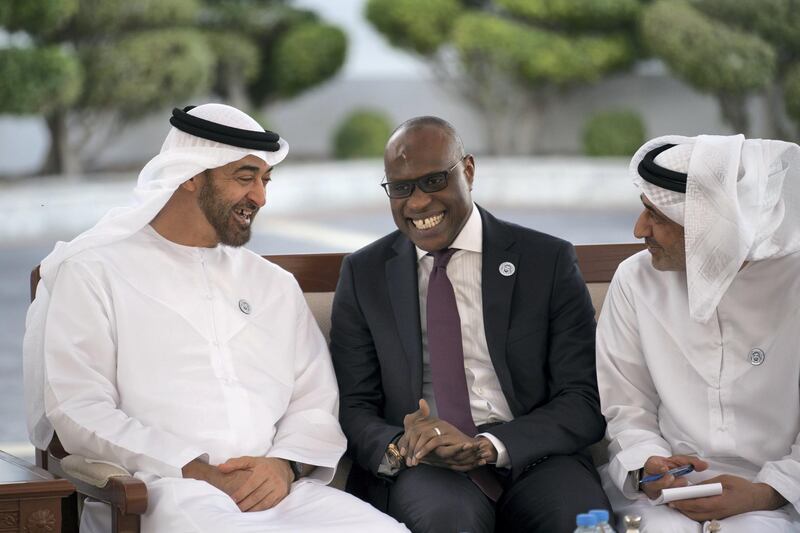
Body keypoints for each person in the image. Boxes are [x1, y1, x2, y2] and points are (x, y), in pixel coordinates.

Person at [23, 103, 407, 533]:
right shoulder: (94, 273)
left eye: (265, 180)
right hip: (162, 493)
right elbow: (79, 410)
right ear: (189, 174)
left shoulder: (274, 284)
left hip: (279, 494)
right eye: (244, 178)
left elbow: (314, 398)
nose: (260, 197)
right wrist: (194, 470)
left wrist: (284, 466)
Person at [329, 116, 611, 533]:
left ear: (469, 171)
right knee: (448, 523)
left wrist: (488, 447)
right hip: (425, 466)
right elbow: (353, 406)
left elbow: (583, 398)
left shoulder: (545, 260)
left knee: (578, 522)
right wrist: (402, 445)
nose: (418, 203)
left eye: (433, 181)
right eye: (401, 188)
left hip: (536, 454)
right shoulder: (363, 274)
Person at [596, 134, 800, 532]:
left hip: (782, 497)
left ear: (712, 225)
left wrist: (766, 492)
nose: (640, 230)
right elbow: (626, 407)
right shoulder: (636, 279)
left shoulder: (795, 282)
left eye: (656, 216)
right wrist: (648, 465)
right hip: (664, 498)